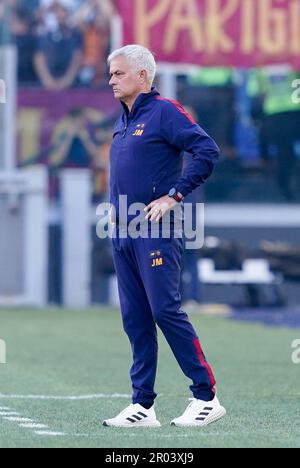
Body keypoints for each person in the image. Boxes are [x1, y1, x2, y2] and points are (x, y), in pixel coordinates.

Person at [103, 45, 226, 428]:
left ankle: (206, 396)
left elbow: (207, 150)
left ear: (143, 76)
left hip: (157, 229)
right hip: (123, 231)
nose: (111, 80)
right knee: (135, 318)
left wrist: (174, 195)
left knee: (164, 310)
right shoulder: (123, 120)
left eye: (118, 73)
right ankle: (142, 406)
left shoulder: (164, 112)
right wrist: (113, 205)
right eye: (111, 73)